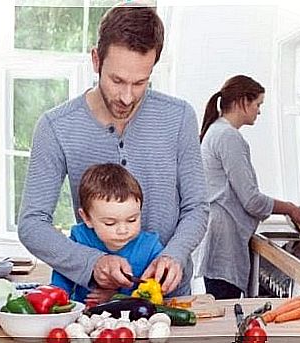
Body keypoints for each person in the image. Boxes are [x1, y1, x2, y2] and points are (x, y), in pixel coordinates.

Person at [18, 4, 208, 298]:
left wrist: (175, 254)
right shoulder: (56, 127)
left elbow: (196, 207)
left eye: (140, 82)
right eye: (117, 80)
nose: (127, 96)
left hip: (169, 299)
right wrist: (92, 263)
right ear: (96, 60)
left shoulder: (179, 117)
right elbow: (32, 224)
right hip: (95, 301)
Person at [197, 75, 300, 299]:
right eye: (258, 104)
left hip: (218, 236)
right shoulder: (228, 136)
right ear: (242, 102)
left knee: (224, 311)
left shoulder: (217, 131)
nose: (259, 111)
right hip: (224, 240)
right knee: (227, 317)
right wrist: (290, 208)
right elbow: (251, 200)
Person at [51, 163, 163, 304]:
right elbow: (61, 281)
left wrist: (116, 299)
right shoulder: (79, 238)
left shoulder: (151, 247)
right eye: (110, 223)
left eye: (132, 220)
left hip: (134, 321)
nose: (123, 230)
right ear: (86, 218)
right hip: (83, 318)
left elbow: (154, 296)